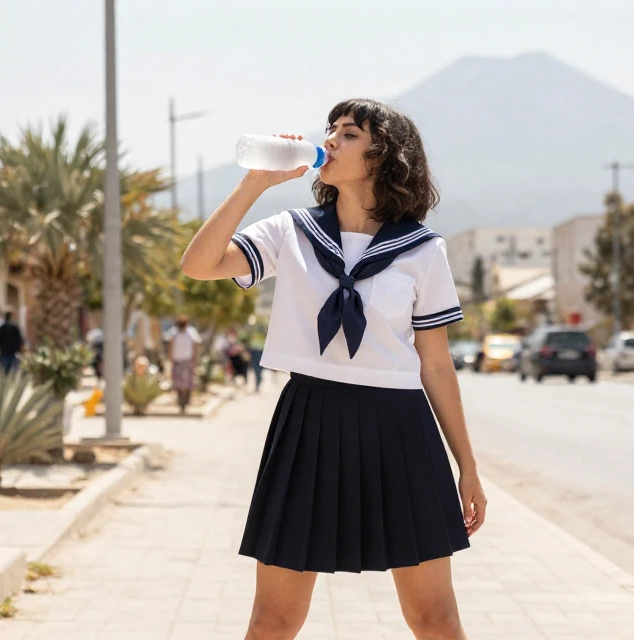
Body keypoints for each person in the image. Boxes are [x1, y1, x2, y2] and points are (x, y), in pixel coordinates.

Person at [180, 99, 486, 639]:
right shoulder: (292, 231)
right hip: (309, 421)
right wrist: (254, 185)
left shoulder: (422, 250)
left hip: (400, 429)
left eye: (348, 134)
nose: (330, 141)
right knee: (273, 621)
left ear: (383, 155)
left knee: (436, 619)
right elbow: (199, 265)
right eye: (331, 130)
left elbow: (437, 366)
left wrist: (467, 466)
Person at [163, 315, 201, 414]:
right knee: (178, 383)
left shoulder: (191, 332)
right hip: (177, 361)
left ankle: (186, 401)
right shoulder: (174, 332)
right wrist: (170, 358)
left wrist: (195, 358)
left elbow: (196, 345)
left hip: (187, 361)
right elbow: (170, 345)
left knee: (188, 383)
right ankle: (181, 402)